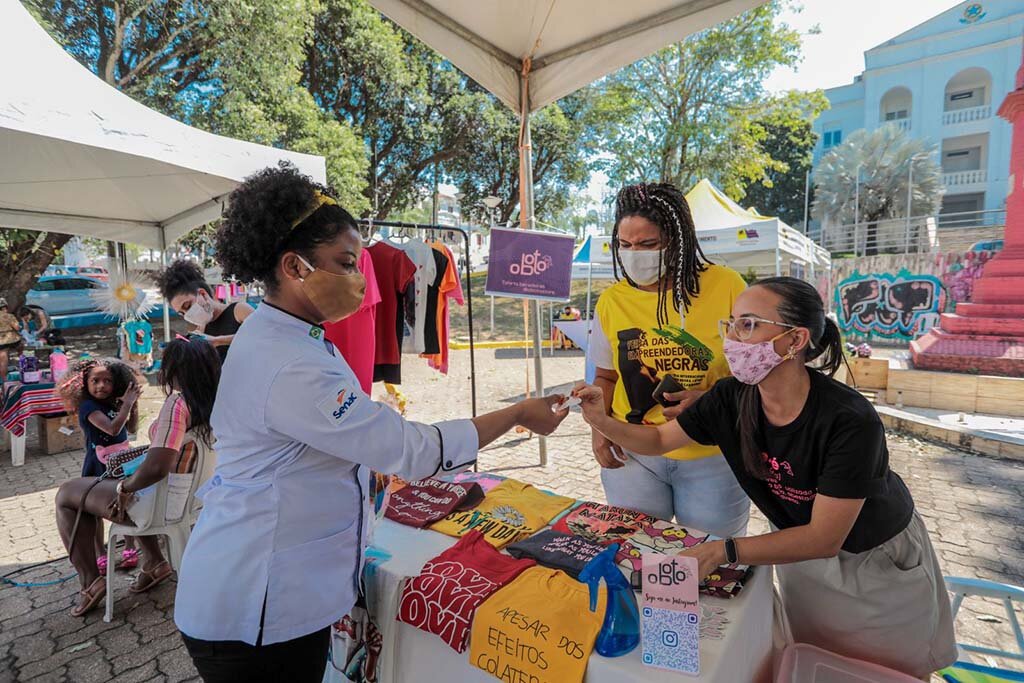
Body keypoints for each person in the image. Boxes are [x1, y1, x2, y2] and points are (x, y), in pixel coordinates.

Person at [173, 163, 569, 682]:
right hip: (255, 606)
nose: (360, 278)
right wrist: (518, 412)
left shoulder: (289, 335)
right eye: (345, 262)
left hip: (267, 589)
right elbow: (413, 451)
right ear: (293, 266)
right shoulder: (290, 360)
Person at [576, 276, 957, 679]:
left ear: (795, 341)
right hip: (799, 557)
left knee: (880, 672)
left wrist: (721, 551)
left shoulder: (849, 420)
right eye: (732, 324)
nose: (732, 339)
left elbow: (824, 538)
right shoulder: (731, 397)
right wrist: (601, 420)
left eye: (749, 325)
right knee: (810, 661)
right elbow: (656, 439)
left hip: (873, 565)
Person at [587, 182, 749, 538]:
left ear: (678, 240)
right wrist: (600, 429)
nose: (635, 255)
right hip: (633, 456)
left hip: (713, 456)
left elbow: (758, 374)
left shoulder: (727, 286)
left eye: (648, 245)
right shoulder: (611, 301)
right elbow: (606, 376)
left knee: (715, 561)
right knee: (638, 554)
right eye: (625, 245)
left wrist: (711, 400)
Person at [55, 338, 222, 617]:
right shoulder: (218, 400)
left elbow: (157, 466)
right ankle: (155, 562)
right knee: (103, 485)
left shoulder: (178, 403)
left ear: (173, 371)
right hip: (192, 500)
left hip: (160, 504)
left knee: (68, 494)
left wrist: (124, 487)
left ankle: (90, 582)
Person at [56, 358, 143, 580]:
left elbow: (131, 427)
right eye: (95, 381)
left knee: (125, 503)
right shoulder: (88, 407)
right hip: (99, 464)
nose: (101, 386)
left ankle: (129, 547)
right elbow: (113, 429)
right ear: (85, 383)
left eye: (108, 381)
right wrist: (127, 404)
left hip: (123, 460)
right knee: (94, 512)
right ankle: (100, 553)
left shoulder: (115, 402)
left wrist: (131, 404)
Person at [155, 260, 254, 361]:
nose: (187, 315)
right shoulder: (200, 331)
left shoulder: (239, 310)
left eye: (188, 306)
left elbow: (265, 335)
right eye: (182, 313)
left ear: (202, 294)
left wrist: (217, 341)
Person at [0, 298, 22, 381]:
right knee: (21, 346)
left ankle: (3, 379)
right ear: (5, 307)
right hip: (11, 340)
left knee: (3, 359)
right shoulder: (9, 316)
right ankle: (22, 361)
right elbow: (17, 327)